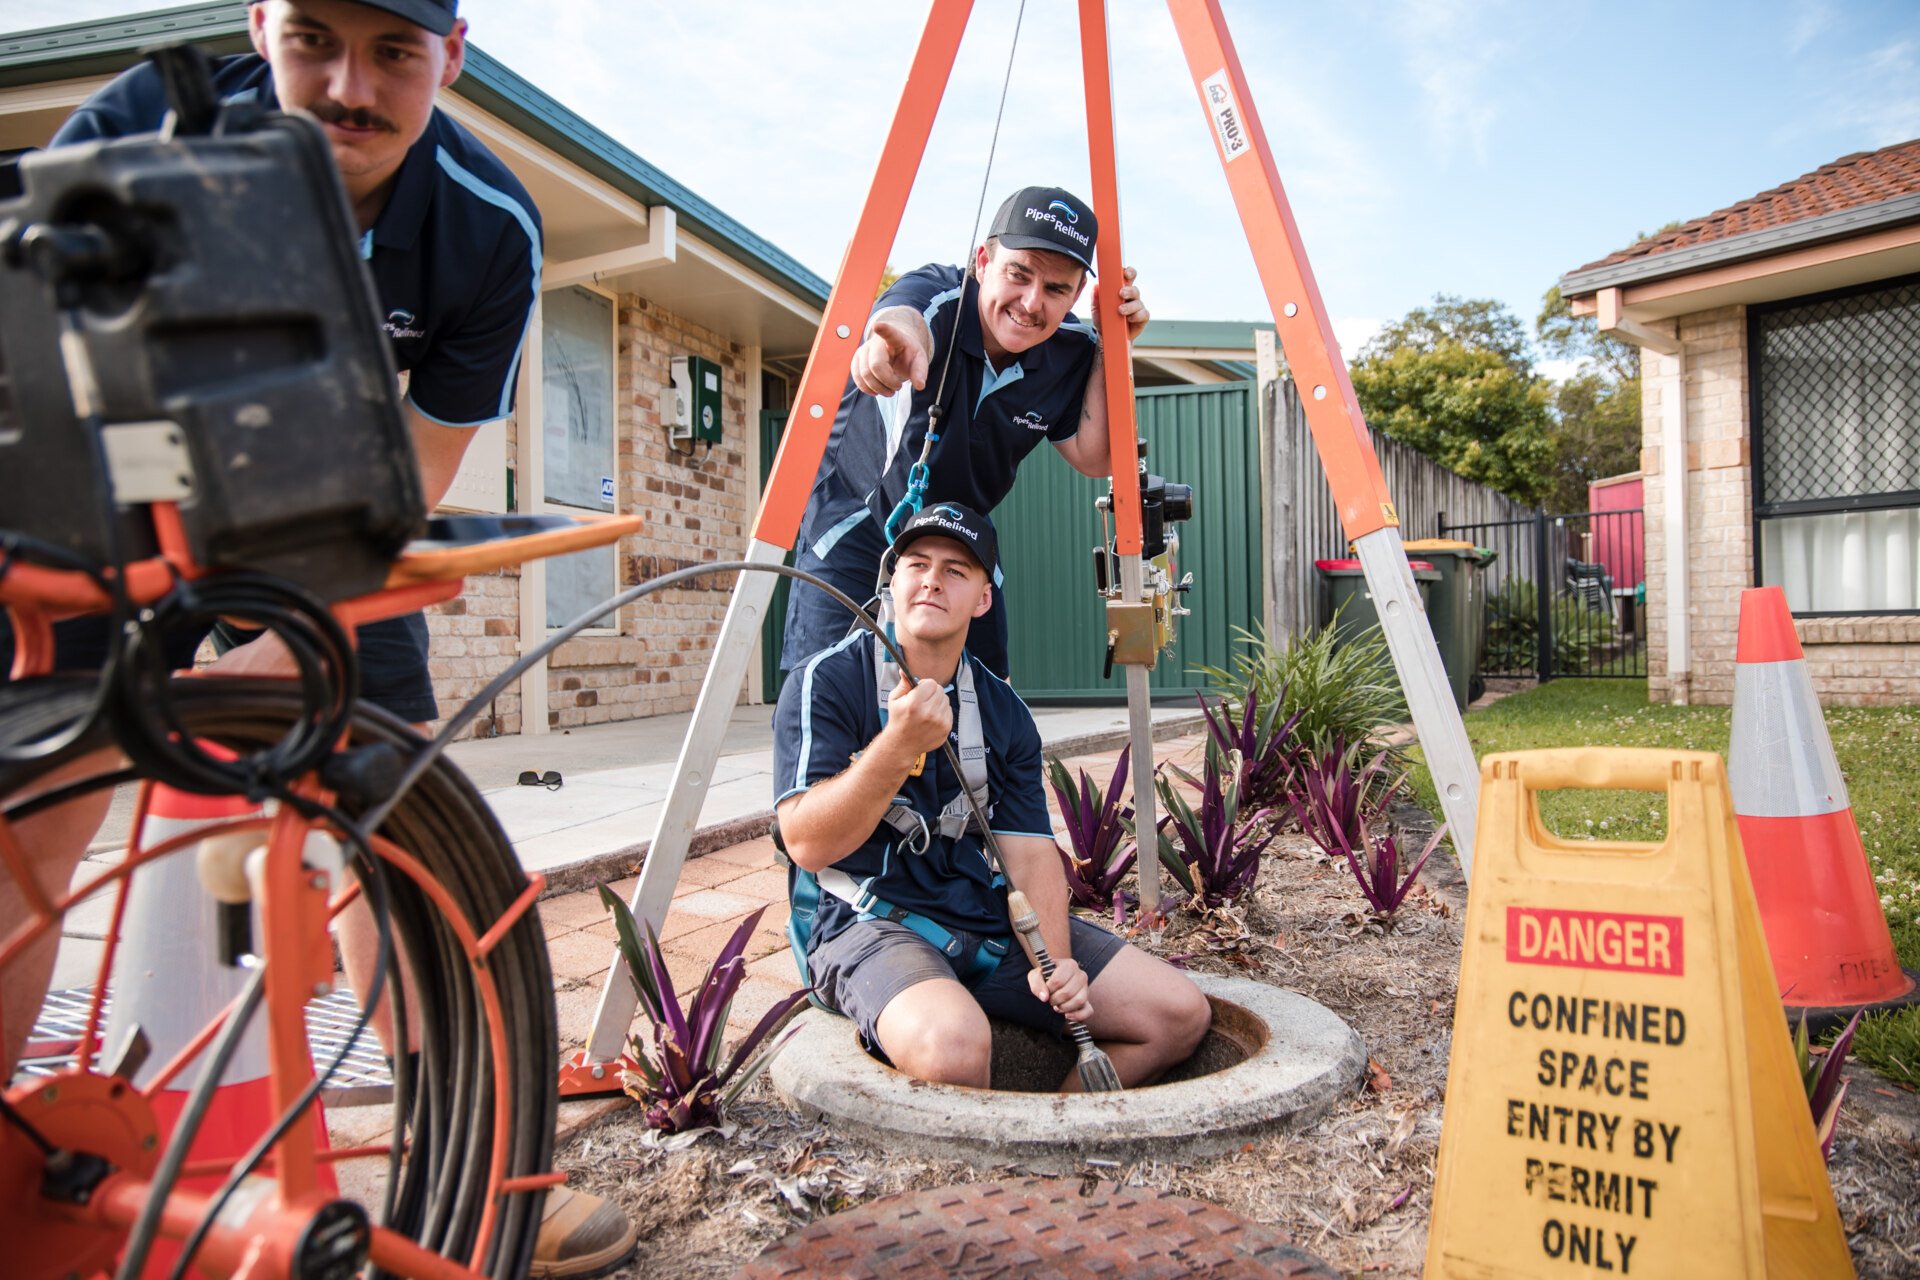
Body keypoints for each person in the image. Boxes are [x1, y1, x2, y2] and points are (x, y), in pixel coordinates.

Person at [0, 3, 634, 1274]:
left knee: (398, 831)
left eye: (395, 51)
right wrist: (153, 657)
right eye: (314, 39)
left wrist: (305, 638)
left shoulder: (484, 227)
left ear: (453, 57)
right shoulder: (146, 120)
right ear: (259, 24)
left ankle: (472, 1156)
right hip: (91, 491)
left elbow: (414, 468)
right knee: (36, 813)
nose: (348, 86)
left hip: (321, 506)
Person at [773, 502, 1209, 1089]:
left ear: (982, 599)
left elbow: (1029, 853)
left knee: (1177, 1015)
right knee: (954, 1049)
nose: (932, 579)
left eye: (956, 570)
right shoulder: (825, 681)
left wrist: (1056, 965)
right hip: (864, 921)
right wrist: (897, 746)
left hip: (986, 918)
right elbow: (805, 842)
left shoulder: (1004, 712)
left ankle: (1055, 1137)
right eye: (916, 563)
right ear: (891, 579)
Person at [779, 185, 1150, 680]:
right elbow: (904, 318)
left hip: (961, 541)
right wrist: (890, 348)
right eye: (1019, 274)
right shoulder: (937, 296)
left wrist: (1112, 343)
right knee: (826, 695)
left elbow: (1097, 458)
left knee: (985, 701)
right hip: (860, 526)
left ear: (1077, 295)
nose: (1032, 302)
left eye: (1057, 289)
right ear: (982, 261)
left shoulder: (1074, 349)